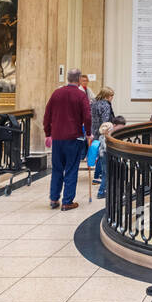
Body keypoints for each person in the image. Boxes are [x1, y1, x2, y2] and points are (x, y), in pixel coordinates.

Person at [42, 69, 91, 211]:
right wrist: (88, 133)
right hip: (73, 137)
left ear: (68, 79)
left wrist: (48, 133)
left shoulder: (56, 93)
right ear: (78, 79)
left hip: (57, 137)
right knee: (71, 169)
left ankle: (54, 199)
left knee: (57, 168)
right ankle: (67, 201)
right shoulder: (81, 95)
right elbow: (87, 117)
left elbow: (47, 115)